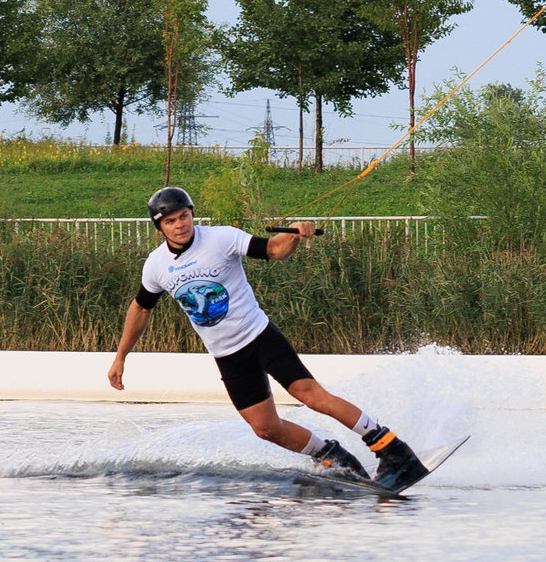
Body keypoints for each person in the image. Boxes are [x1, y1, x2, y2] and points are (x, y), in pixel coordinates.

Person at [107, 185, 429, 490]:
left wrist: (296, 233)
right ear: (160, 227)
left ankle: (391, 448)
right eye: (171, 222)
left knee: (311, 395)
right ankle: (331, 455)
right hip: (228, 356)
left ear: (192, 214)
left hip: (259, 337)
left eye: (184, 217)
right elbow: (141, 308)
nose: (180, 225)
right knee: (265, 428)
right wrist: (121, 356)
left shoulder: (220, 239)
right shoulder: (156, 265)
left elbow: (274, 250)